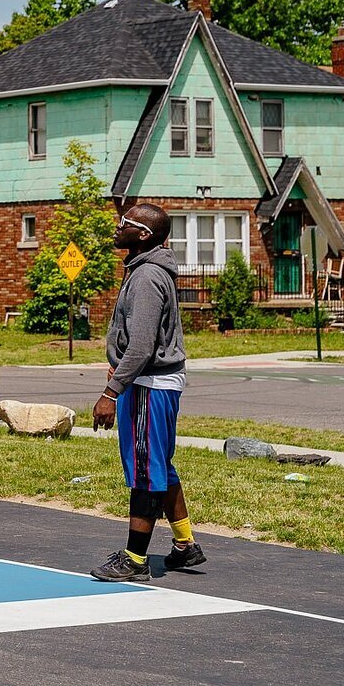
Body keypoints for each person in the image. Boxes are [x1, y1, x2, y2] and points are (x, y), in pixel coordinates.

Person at [89, 203, 203, 582]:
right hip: (148, 381)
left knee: (144, 473)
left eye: (126, 224)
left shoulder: (147, 276)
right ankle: (185, 545)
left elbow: (141, 345)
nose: (117, 227)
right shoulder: (145, 270)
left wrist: (111, 390)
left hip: (149, 386)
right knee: (159, 467)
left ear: (143, 235)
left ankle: (135, 558)